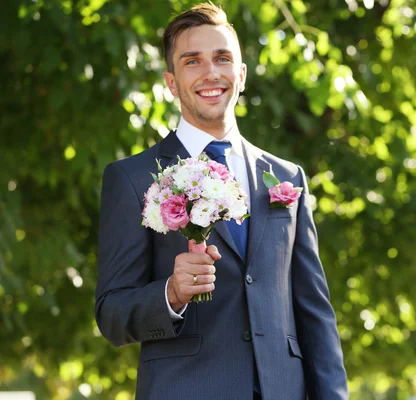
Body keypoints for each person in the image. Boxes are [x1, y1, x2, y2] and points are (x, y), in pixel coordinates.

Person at [95, 3, 348, 399]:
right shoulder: (131, 178)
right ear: (172, 82)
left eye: (223, 58)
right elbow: (111, 316)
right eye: (192, 61)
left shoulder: (286, 177)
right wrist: (171, 293)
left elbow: (314, 313)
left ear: (241, 74)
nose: (211, 72)